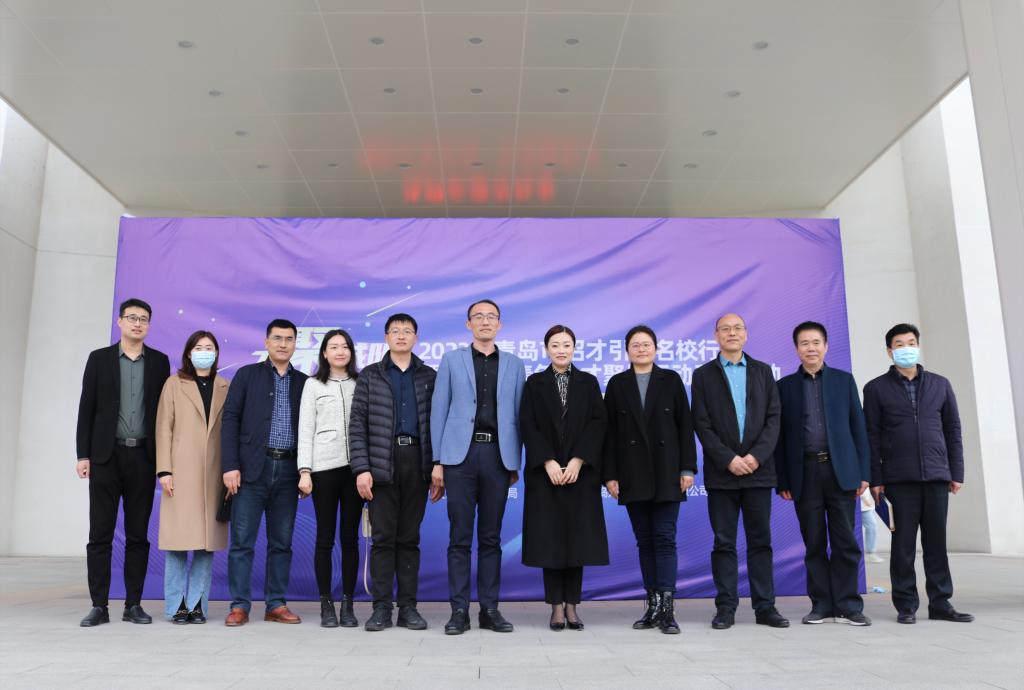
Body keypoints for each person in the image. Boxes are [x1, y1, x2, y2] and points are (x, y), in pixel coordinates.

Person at [863, 323, 973, 624]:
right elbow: (871, 436)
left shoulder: (940, 384)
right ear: (890, 351)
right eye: (899, 344)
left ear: (918, 346)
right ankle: (906, 605)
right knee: (903, 546)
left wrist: (956, 472)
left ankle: (941, 603)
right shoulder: (875, 388)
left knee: (936, 544)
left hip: (937, 475)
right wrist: (876, 479)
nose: (906, 348)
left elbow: (953, 430)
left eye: (911, 342)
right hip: (898, 479)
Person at [431, 299, 526, 635]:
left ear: (499, 324)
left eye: (491, 317)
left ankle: (489, 609)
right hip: (459, 457)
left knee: (491, 538)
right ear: (468, 324)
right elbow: (439, 410)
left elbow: (519, 414)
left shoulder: (514, 364)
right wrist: (437, 461)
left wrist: (514, 460)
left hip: (497, 456)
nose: (485, 322)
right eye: (478, 317)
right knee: (459, 537)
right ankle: (459, 611)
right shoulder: (451, 360)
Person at [76, 298, 171, 627]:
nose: (137, 323)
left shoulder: (159, 362)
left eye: (143, 319)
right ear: (120, 322)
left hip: (143, 457)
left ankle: (133, 604)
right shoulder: (99, 359)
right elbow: (86, 408)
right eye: (132, 317)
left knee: (138, 535)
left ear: (149, 325)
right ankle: (99, 606)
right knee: (100, 534)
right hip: (105, 456)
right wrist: (83, 454)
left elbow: (163, 414)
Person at [691, 313, 788, 630]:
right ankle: (726, 608)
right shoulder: (703, 375)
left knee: (761, 541)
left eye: (737, 328)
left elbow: (774, 419)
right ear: (716, 336)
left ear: (745, 334)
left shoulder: (763, 372)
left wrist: (756, 457)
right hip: (723, 474)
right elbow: (701, 423)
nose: (731, 333)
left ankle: (765, 607)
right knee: (724, 543)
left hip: (759, 472)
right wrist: (728, 459)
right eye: (725, 329)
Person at [602, 324, 697, 634]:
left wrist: (687, 468)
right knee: (644, 540)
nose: (641, 349)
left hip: (668, 470)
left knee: (665, 538)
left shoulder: (671, 380)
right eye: (635, 345)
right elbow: (609, 434)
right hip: (632, 472)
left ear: (655, 348)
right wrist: (610, 475)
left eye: (646, 344)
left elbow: (685, 427)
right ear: (627, 351)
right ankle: (652, 605)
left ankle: (668, 608)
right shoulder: (617, 384)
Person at [775, 321, 871, 626]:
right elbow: (780, 438)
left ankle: (848, 606)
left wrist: (864, 473)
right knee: (813, 542)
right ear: (796, 349)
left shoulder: (844, 381)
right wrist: (783, 479)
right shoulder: (785, 387)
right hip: (805, 473)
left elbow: (858, 428)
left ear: (826, 346)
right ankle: (821, 605)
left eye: (816, 342)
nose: (811, 348)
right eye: (804, 343)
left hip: (841, 471)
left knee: (846, 542)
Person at [349, 314, 437, 632]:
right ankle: (381, 608)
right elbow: (357, 425)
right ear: (386, 337)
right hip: (381, 463)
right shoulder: (370, 376)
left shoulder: (429, 376)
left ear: (416, 337)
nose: (401, 335)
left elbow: (438, 424)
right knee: (383, 539)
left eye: (407, 331)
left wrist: (437, 464)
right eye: (395, 331)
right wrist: (362, 469)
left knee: (409, 539)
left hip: (418, 461)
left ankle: (408, 607)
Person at [520, 325, 609, 632]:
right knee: (550, 542)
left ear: (574, 348)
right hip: (545, 476)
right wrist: (547, 461)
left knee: (577, 542)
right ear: (546, 349)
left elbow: (598, 423)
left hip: (579, 476)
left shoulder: (588, 382)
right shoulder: (535, 383)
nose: (561, 350)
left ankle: (572, 606)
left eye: (566, 345)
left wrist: (577, 460)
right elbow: (528, 425)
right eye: (555, 345)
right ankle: (556, 607)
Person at [221, 319, 308, 626]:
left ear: (296, 343)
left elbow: (310, 430)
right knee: (242, 542)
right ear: (266, 342)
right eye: (277, 338)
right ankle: (239, 606)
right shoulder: (247, 375)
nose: (283, 344)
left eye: (289, 339)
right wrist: (230, 465)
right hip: (250, 471)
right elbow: (230, 420)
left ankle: (276, 604)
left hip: (288, 471)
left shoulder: (305, 383)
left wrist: (306, 471)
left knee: (281, 542)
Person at [155, 330, 230, 624]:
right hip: (181, 471)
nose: (204, 352)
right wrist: (165, 469)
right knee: (177, 542)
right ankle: (176, 605)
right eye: (198, 348)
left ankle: (198, 604)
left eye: (209, 347)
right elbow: (163, 427)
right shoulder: (174, 384)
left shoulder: (225, 386)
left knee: (205, 543)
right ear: (188, 353)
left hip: (214, 473)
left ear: (216, 353)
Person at [297, 329, 362, 628]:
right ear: (324, 352)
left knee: (350, 538)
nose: (340, 351)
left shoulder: (361, 383)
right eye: (333, 347)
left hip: (356, 470)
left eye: (344, 346)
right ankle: (326, 603)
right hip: (323, 469)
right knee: (325, 537)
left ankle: (348, 604)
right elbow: (305, 429)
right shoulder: (313, 384)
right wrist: (304, 470)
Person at [860, 491, 884, 563]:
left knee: (871, 527)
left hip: (864, 506)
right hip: (863, 506)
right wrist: (866, 500)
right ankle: (870, 553)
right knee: (871, 526)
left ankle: (870, 553)